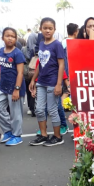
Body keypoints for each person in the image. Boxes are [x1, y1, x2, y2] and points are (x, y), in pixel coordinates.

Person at [29, 17, 65, 146]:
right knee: (39, 109)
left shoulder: (57, 45)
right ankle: (43, 135)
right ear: (40, 29)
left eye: (50, 28)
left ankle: (57, 136)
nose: (48, 31)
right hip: (41, 82)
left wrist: (59, 84)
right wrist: (33, 79)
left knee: (52, 109)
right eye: (45, 28)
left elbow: (61, 65)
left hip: (53, 82)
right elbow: (41, 63)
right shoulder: (42, 44)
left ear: (54, 29)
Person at [0, 27, 26, 146]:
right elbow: (2, 67)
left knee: (15, 114)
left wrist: (16, 89)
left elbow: (20, 72)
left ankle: (17, 135)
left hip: (15, 87)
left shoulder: (17, 53)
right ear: (2, 38)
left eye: (13, 36)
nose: (10, 38)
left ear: (16, 39)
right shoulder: (1, 51)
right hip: (2, 86)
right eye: (7, 36)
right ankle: (8, 131)